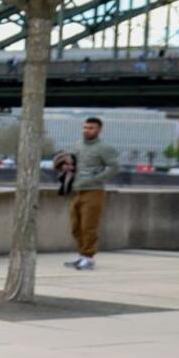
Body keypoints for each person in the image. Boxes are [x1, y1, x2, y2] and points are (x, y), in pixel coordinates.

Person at [54, 116, 122, 270]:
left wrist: (95, 179)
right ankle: (81, 256)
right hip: (76, 191)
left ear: (99, 130)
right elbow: (70, 163)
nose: (87, 130)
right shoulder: (77, 145)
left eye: (91, 128)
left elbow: (115, 167)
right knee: (75, 227)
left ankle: (88, 258)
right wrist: (65, 167)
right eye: (85, 127)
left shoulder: (105, 148)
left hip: (94, 192)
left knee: (88, 227)